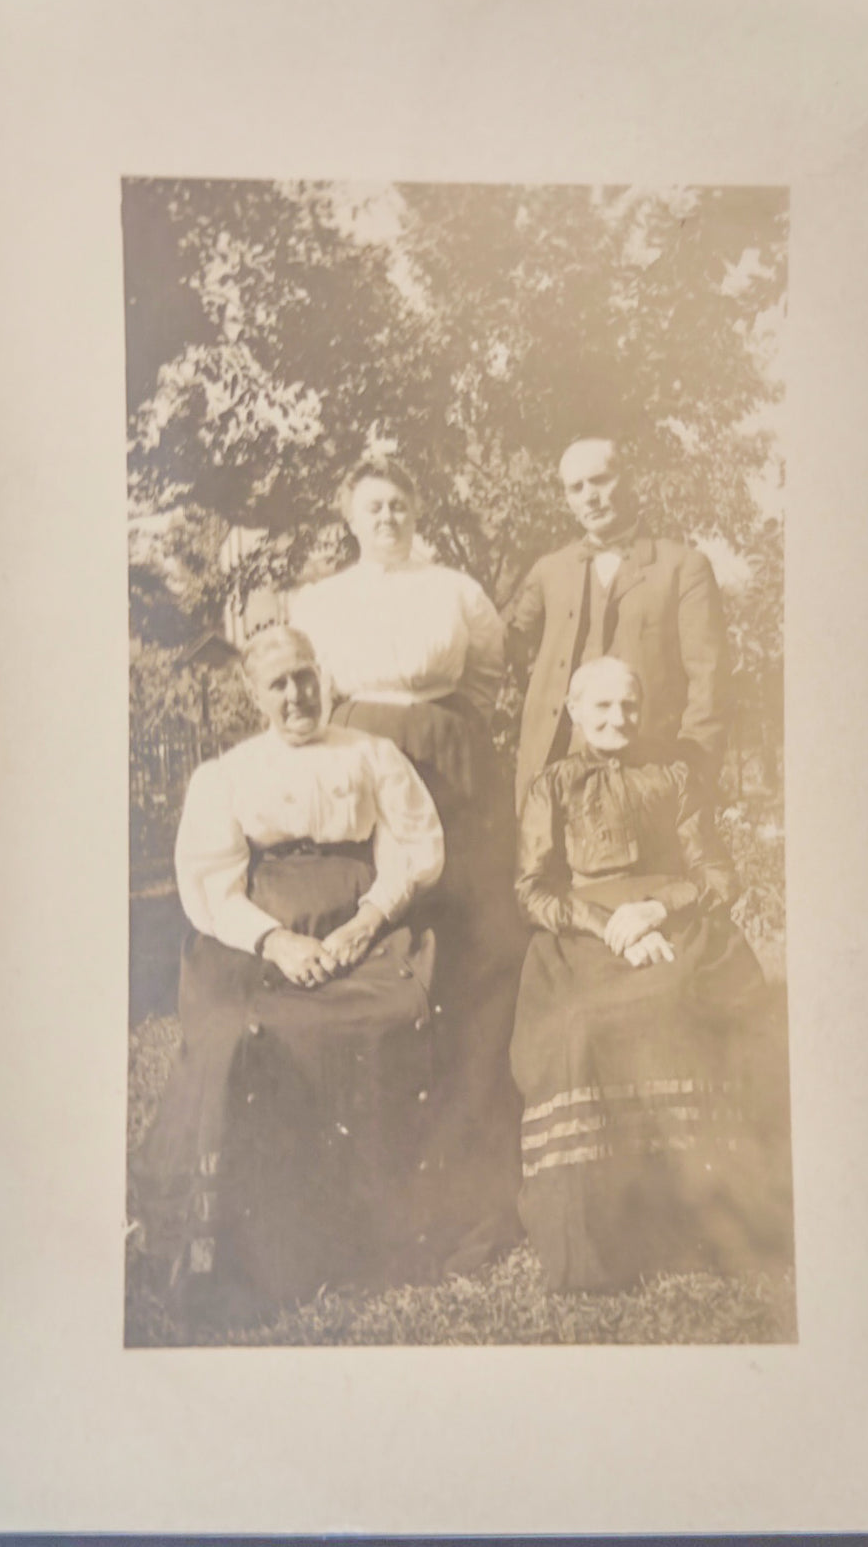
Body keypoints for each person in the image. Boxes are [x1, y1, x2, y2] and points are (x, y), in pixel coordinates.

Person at [135, 625, 446, 1324]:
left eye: (305, 676)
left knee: (394, 1013)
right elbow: (212, 883)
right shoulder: (227, 774)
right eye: (277, 683)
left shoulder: (373, 754)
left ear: (322, 677)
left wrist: (366, 923)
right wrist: (275, 943)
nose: (296, 694)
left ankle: (375, 1231)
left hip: (364, 925)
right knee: (241, 1034)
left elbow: (412, 849)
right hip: (263, 938)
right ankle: (263, 1242)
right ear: (254, 696)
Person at [288, 456, 525, 1272]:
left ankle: (475, 1162)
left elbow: (486, 676)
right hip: (360, 762)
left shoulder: (455, 589)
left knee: (470, 947)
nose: (387, 516)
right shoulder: (319, 601)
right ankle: (381, 1171)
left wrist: (439, 735)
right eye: (373, 506)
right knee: (384, 939)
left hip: (454, 765)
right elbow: (310, 693)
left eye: (399, 503)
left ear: (416, 509)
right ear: (350, 518)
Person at [510, 656, 792, 1293]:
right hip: (584, 936)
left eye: (629, 705)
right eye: (603, 706)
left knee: (683, 1006)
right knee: (580, 1028)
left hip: (676, 923)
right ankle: (598, 1238)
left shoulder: (673, 775)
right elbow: (531, 890)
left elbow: (717, 874)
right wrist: (609, 923)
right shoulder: (552, 786)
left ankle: (709, 1223)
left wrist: (655, 910)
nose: (618, 718)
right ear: (575, 711)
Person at [505, 434, 731, 811]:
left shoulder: (683, 567)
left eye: (600, 480)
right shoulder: (549, 570)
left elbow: (710, 683)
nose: (589, 497)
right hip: (552, 775)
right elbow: (502, 644)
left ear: (629, 480)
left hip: (649, 777)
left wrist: (691, 775)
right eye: (576, 487)